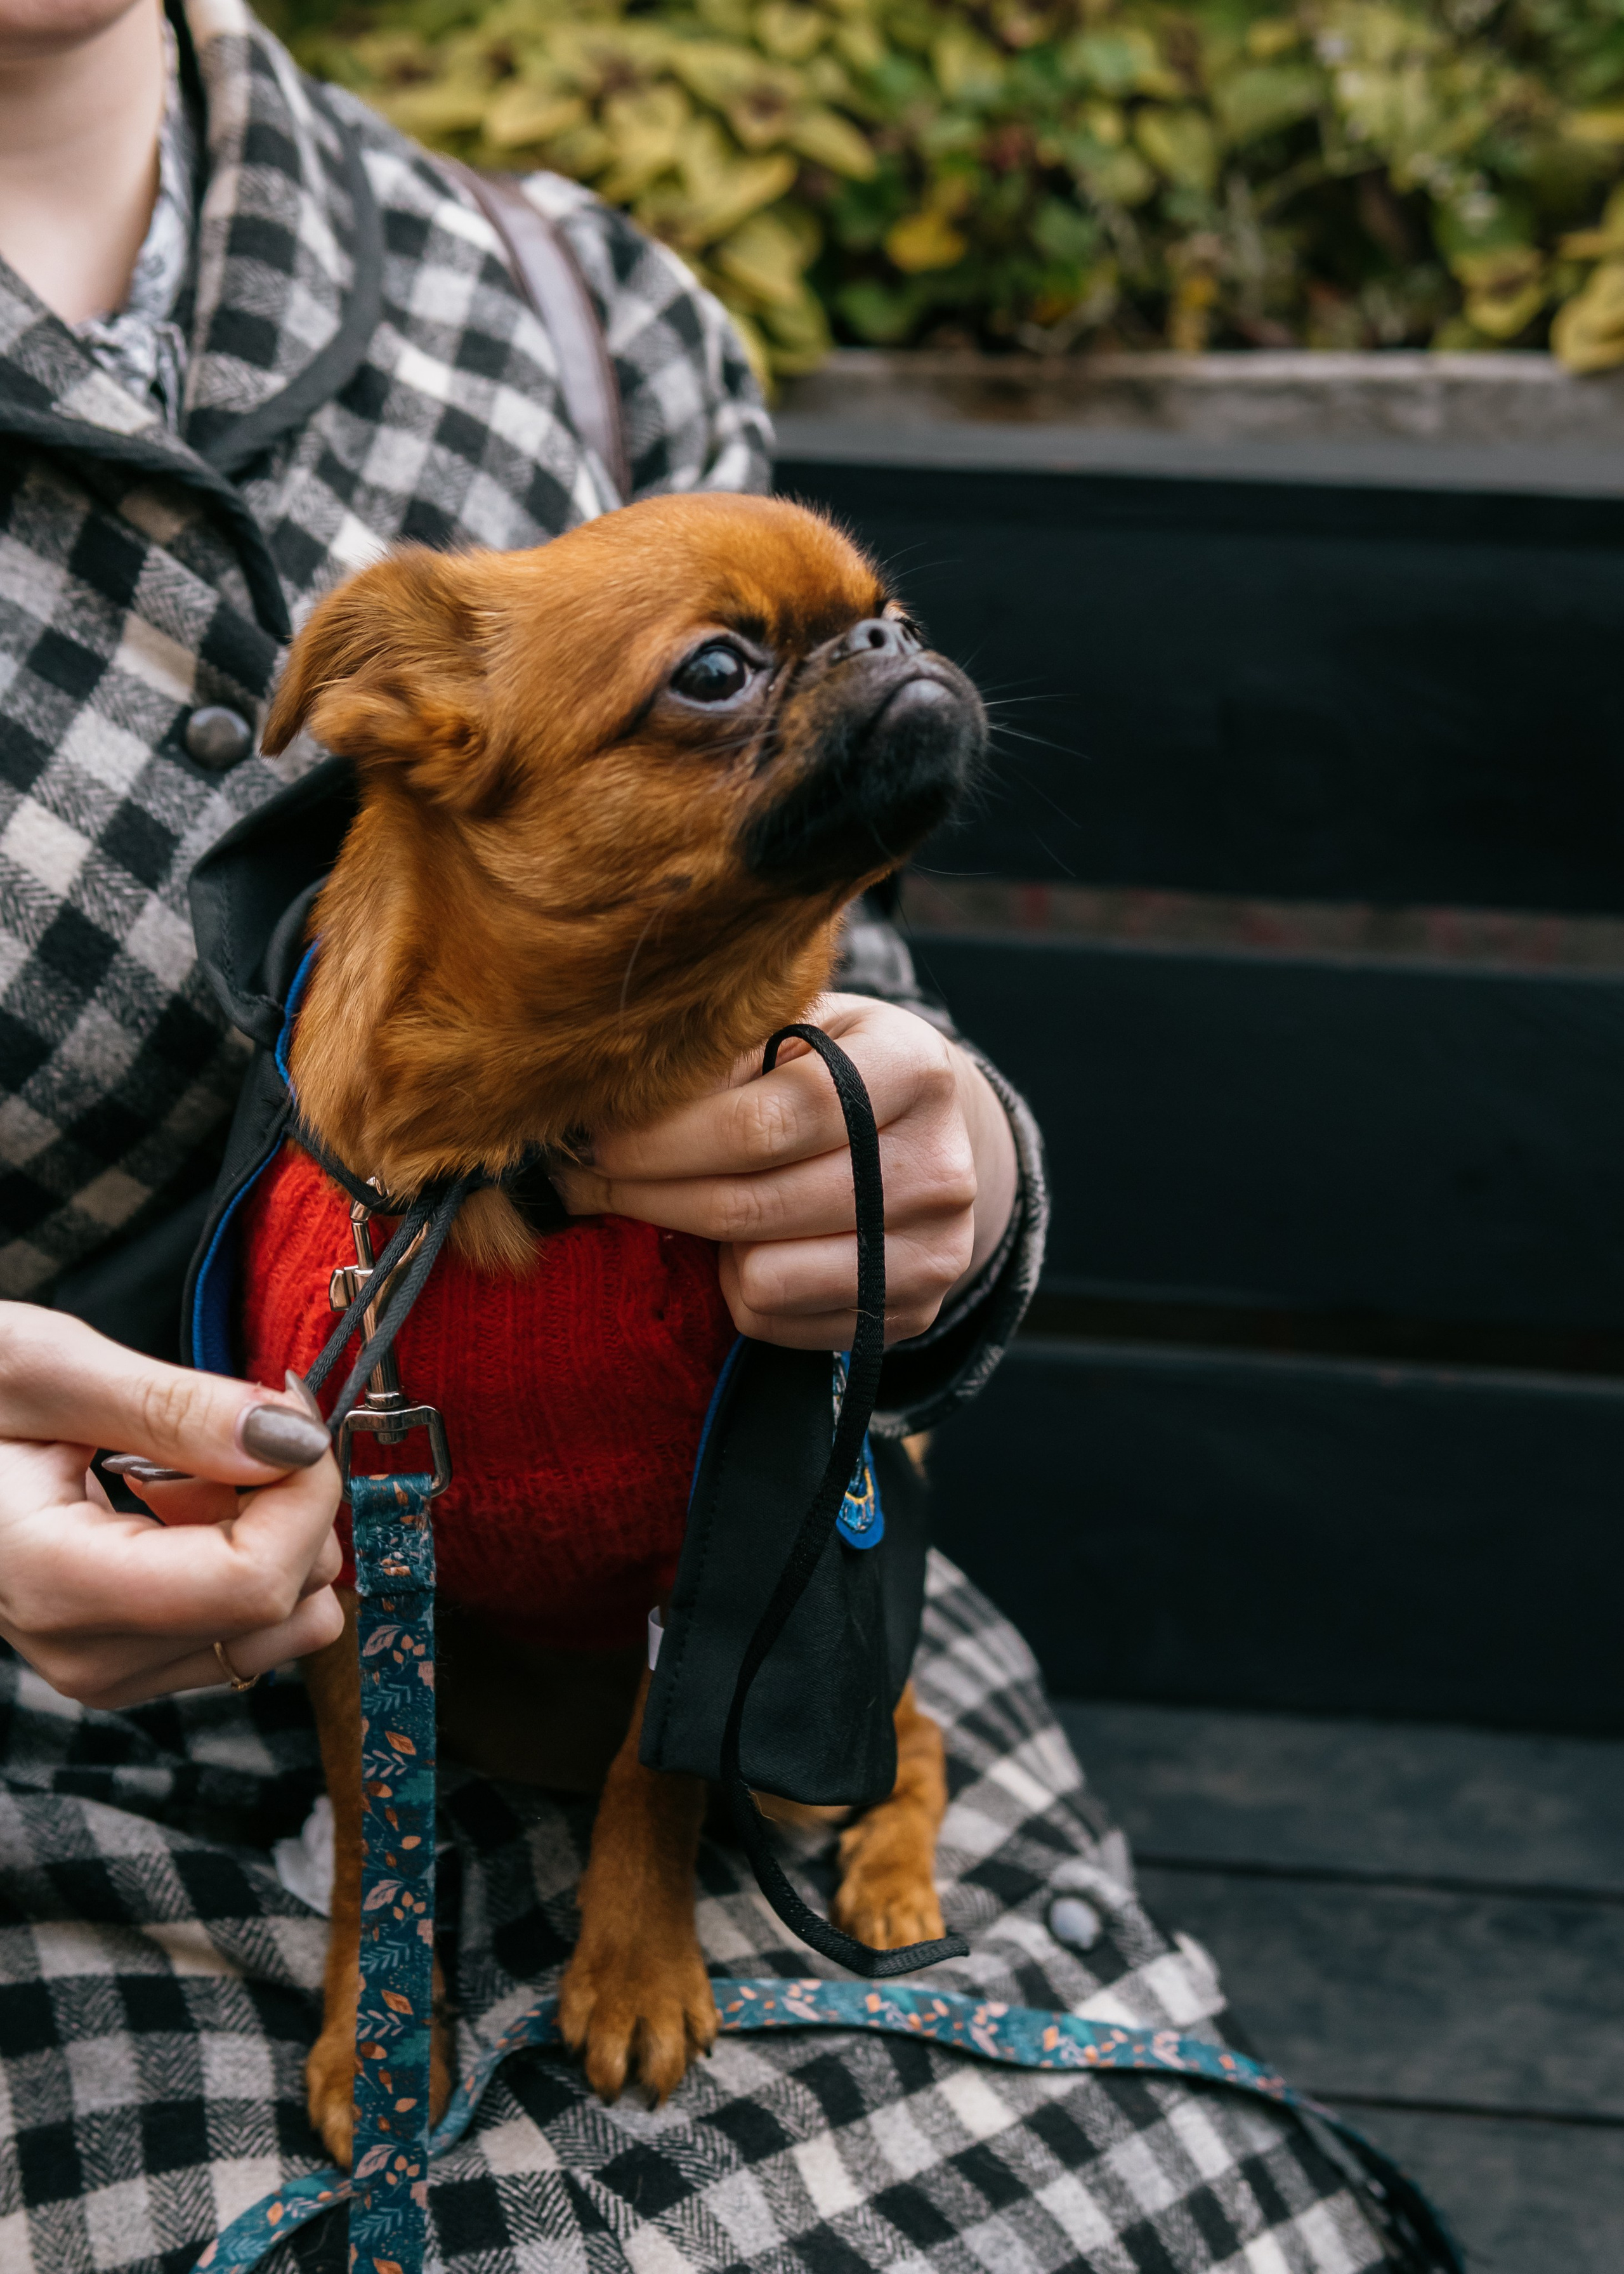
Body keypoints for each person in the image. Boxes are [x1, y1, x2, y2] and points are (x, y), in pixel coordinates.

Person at [0, 3, 1403, 2268]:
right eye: (739, 673)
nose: (868, 663)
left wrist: (946, 1180)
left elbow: (856, 1003)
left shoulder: (577, 294)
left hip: (735, 1663)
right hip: (73, 1778)